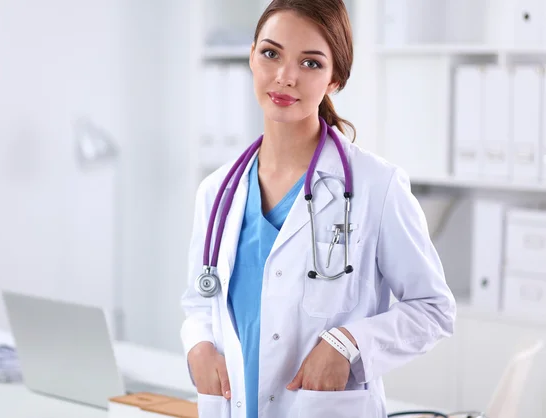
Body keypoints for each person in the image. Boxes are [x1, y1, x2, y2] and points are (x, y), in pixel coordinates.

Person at [180, 0, 456, 417]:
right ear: (252, 56)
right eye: (271, 54)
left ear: (335, 80)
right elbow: (201, 303)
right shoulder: (217, 192)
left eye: (310, 63)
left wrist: (349, 344)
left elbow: (433, 310)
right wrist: (197, 344)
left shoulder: (376, 186)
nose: (285, 76)